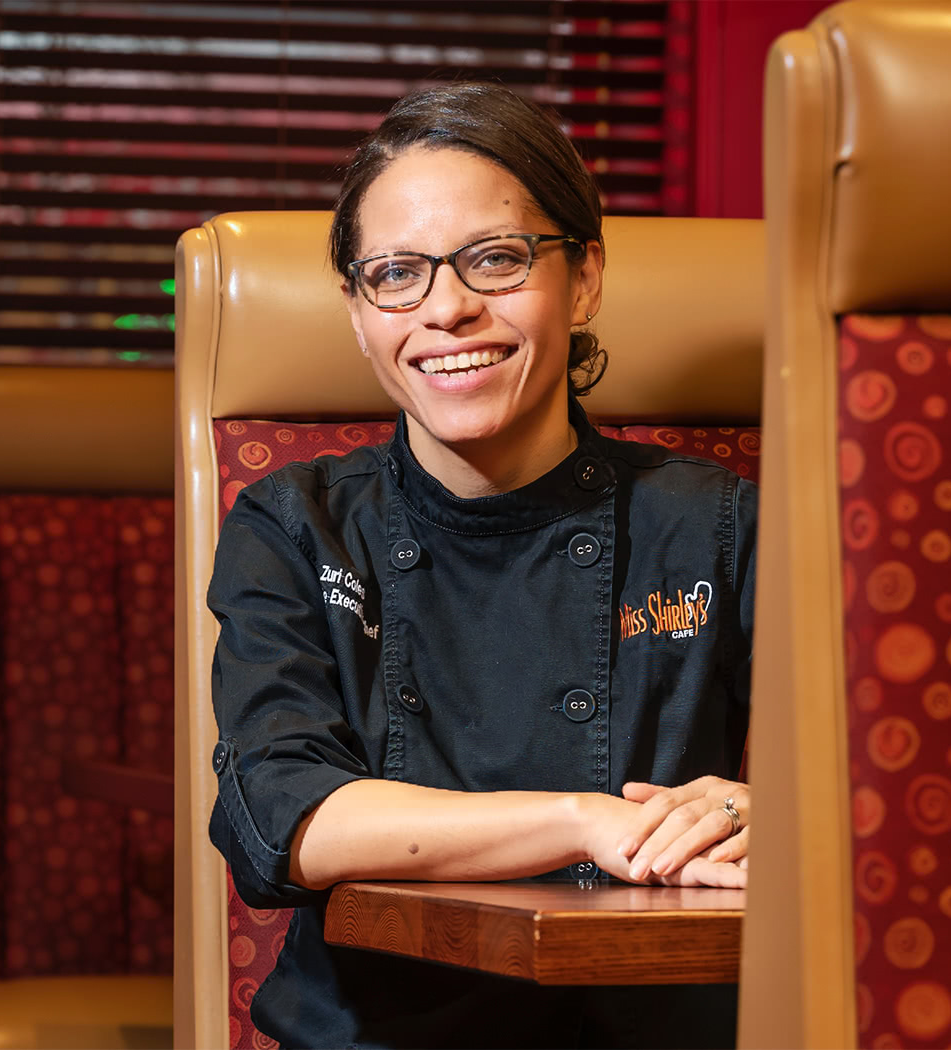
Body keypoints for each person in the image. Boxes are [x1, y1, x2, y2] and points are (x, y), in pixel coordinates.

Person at [206, 81, 757, 1049]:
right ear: (356, 308)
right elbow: (293, 820)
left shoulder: (713, 524)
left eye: (495, 259)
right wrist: (586, 822)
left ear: (583, 277)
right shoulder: (296, 525)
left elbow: (864, 780)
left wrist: (763, 812)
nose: (447, 310)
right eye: (396, 275)